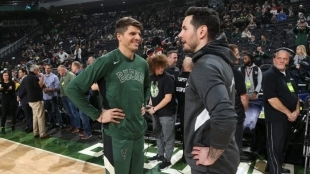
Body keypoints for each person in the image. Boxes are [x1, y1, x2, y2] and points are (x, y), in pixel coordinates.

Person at [65, 17, 150, 174]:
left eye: (139, 34)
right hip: (116, 134)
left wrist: (143, 104)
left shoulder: (142, 63)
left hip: (138, 132)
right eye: (132, 33)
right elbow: (72, 89)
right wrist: (97, 115)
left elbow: (146, 87)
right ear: (119, 36)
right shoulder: (106, 61)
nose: (138, 37)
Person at [178, 7, 239, 174]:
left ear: (202, 31)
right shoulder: (219, 61)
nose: (179, 35)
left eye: (184, 28)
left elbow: (225, 116)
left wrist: (212, 155)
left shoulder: (205, 66)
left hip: (211, 166)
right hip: (223, 160)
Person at [262, 48, 299, 174]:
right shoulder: (269, 75)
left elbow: (296, 95)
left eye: (285, 59)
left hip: (289, 119)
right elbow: (272, 99)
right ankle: (275, 171)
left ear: (288, 61)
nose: (282, 61)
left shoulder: (289, 75)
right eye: (279, 58)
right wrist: (289, 113)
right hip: (276, 119)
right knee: (274, 147)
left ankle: (278, 167)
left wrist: (297, 111)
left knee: (282, 147)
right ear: (274, 59)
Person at [146, 54, 176, 169]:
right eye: (159, 67)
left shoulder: (168, 78)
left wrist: (154, 108)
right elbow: (151, 94)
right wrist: (149, 104)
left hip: (166, 113)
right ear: (153, 67)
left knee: (168, 137)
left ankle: (167, 159)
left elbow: (168, 98)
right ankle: (159, 154)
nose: (161, 69)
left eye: (162, 66)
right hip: (156, 113)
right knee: (158, 135)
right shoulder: (151, 77)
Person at [229, 44, 249, 160]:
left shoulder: (216, 69)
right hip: (235, 113)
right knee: (236, 138)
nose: (239, 57)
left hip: (218, 113)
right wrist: (244, 109)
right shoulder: (236, 73)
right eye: (237, 54)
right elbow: (244, 97)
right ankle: (236, 155)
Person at [24, 65, 51, 139]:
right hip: (36, 100)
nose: (39, 71)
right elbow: (39, 85)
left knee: (35, 117)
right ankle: (42, 133)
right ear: (35, 70)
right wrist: (42, 77)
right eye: (38, 70)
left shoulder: (27, 77)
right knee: (41, 117)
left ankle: (35, 132)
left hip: (30, 100)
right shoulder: (33, 77)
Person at [174, 56, 193, 161]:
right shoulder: (195, 78)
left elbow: (175, 94)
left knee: (184, 132)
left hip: (182, 109)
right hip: (193, 110)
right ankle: (190, 154)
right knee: (193, 133)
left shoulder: (177, 78)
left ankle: (185, 155)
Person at [57, 65, 80, 133]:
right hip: (64, 96)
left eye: (59, 70)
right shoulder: (62, 76)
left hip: (70, 97)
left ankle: (78, 127)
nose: (58, 72)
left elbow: (74, 85)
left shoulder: (71, 75)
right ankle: (73, 125)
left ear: (63, 69)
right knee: (69, 112)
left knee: (74, 112)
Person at [43, 64, 63, 130]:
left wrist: (49, 89)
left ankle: (61, 124)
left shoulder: (55, 77)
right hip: (45, 97)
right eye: (46, 68)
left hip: (53, 96)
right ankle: (52, 124)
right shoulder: (43, 77)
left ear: (51, 69)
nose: (47, 69)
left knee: (56, 110)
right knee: (49, 111)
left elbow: (57, 88)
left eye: (48, 68)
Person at [17, 68, 33, 133]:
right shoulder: (23, 79)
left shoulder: (25, 79)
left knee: (28, 114)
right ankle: (28, 126)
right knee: (27, 114)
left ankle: (30, 127)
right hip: (24, 99)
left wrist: (19, 96)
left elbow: (24, 89)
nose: (19, 73)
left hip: (26, 99)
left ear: (24, 72)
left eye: (20, 72)